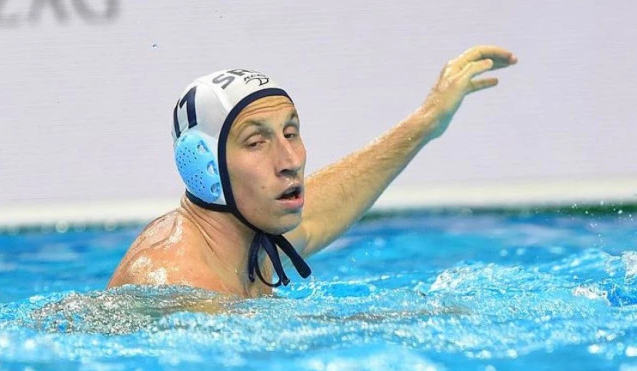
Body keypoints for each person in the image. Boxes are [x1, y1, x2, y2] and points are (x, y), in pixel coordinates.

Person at [108, 46, 518, 297]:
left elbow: (328, 204)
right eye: (256, 141)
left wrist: (427, 121)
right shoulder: (178, 285)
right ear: (203, 164)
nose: (290, 159)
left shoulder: (245, 240)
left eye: (291, 132)